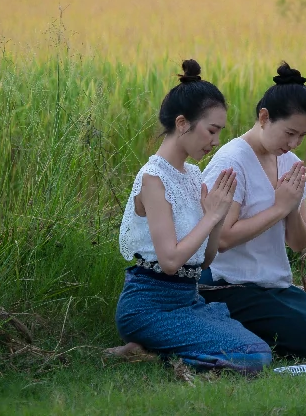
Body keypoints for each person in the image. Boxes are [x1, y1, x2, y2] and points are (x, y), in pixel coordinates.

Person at [110, 60, 272, 374]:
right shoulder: (153, 179)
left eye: (220, 132)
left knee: (259, 350)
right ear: (183, 123)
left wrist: (219, 215)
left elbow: (205, 260)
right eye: (211, 130)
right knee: (253, 358)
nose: (215, 141)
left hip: (186, 300)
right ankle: (150, 353)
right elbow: (170, 262)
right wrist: (210, 218)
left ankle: (144, 352)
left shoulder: (193, 175)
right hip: (149, 306)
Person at [196, 63, 306, 359]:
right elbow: (221, 239)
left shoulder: (291, 164)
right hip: (228, 285)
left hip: (274, 284)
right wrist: (279, 207)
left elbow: (298, 244)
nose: (294, 143)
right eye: (289, 133)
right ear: (264, 117)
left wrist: (290, 208)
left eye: (302, 135)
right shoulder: (231, 162)